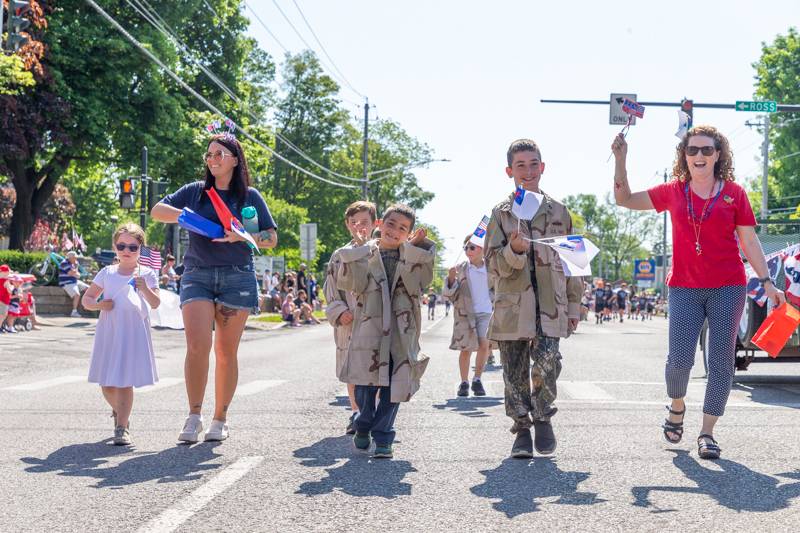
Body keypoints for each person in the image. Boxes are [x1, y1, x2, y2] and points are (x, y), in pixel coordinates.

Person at [612, 125, 785, 460]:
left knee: (721, 362)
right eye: (693, 150)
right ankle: (676, 408)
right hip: (685, 289)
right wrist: (621, 159)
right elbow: (623, 199)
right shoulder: (673, 192)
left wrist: (767, 281)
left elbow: (749, 241)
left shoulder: (735, 193)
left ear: (718, 155)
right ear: (685, 156)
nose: (700, 156)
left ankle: (707, 433)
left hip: (728, 287)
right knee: (678, 361)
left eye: (707, 150)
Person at [151, 130, 278, 443]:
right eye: (209, 154)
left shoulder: (250, 197)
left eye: (219, 153)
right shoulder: (196, 191)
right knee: (197, 346)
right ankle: (194, 415)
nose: (212, 159)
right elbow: (157, 211)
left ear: (235, 159)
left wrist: (243, 236)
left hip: (238, 274)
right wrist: (188, 217)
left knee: (225, 351)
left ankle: (220, 418)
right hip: (197, 273)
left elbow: (270, 239)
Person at [484, 139, 582, 458]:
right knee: (513, 371)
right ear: (509, 171)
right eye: (521, 165)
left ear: (543, 167)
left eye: (533, 164)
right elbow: (491, 264)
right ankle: (521, 429)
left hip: (551, 305)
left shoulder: (560, 211)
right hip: (513, 306)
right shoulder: (501, 213)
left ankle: (543, 417)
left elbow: (574, 263)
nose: (528, 171)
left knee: (547, 363)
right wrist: (513, 250)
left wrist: (575, 304)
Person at [336, 203, 434, 459]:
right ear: (380, 224)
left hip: (402, 331)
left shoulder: (412, 256)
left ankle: (383, 437)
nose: (395, 231)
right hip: (370, 328)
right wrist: (357, 250)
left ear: (409, 233)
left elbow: (420, 284)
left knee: (396, 385)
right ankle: (363, 422)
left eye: (403, 228)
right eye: (391, 224)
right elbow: (352, 284)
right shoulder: (365, 252)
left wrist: (414, 250)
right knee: (365, 385)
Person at [81, 223, 161, 446]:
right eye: (122, 245)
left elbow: (155, 303)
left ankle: (122, 427)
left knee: (125, 381)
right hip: (111, 330)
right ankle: (120, 411)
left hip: (134, 332)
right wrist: (99, 305)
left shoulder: (147, 274)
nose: (127, 250)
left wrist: (144, 288)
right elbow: (86, 300)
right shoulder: (107, 273)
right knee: (107, 384)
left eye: (133, 247)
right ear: (115, 247)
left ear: (140, 249)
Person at [324, 200, 379, 434]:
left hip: (376, 322)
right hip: (349, 322)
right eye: (354, 223)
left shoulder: (380, 251)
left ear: (375, 223)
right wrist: (339, 311)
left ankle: (373, 412)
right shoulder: (340, 255)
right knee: (352, 368)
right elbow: (331, 289)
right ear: (347, 225)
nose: (359, 227)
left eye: (364, 222)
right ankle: (356, 412)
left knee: (376, 368)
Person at [444, 235, 493, 397]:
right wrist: (451, 279)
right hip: (465, 314)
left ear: (483, 248)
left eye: (472, 247)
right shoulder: (460, 269)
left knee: (484, 345)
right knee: (466, 348)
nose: (468, 251)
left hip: (486, 312)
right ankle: (464, 382)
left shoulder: (491, 268)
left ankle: (477, 379)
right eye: (466, 247)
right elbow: (449, 294)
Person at [59, 251, 89, 318]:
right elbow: (71, 273)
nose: (76, 259)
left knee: (89, 289)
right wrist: (76, 268)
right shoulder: (64, 263)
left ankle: (87, 305)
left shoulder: (72, 264)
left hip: (74, 281)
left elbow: (77, 275)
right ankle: (74, 312)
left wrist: (75, 270)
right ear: (70, 257)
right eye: (75, 258)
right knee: (77, 295)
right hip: (67, 282)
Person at [0, 265, 14, 334]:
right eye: (8, 272)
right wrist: (12, 286)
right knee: (3, 315)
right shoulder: (6, 281)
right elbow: (10, 291)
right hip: (4, 301)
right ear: (5, 272)